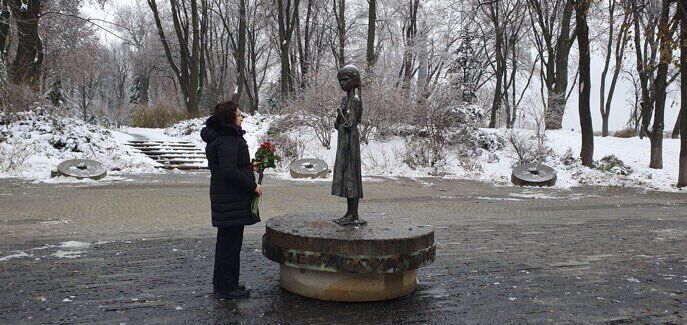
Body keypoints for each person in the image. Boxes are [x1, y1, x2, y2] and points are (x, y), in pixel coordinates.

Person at [201, 100, 263, 299]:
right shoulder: (228, 139)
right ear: (229, 118)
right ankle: (227, 289)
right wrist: (253, 186)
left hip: (226, 198)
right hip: (231, 199)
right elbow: (229, 171)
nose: (241, 117)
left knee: (226, 243)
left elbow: (228, 165)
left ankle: (224, 284)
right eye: (238, 115)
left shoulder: (221, 137)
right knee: (230, 246)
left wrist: (249, 166)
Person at [332, 65, 365, 225]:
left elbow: (350, 124)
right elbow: (337, 124)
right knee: (345, 175)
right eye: (340, 80)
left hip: (351, 140)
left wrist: (343, 118)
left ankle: (354, 214)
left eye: (345, 80)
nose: (342, 83)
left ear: (354, 80)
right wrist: (339, 117)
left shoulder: (356, 100)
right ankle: (349, 212)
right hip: (343, 141)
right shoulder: (345, 100)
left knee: (352, 175)